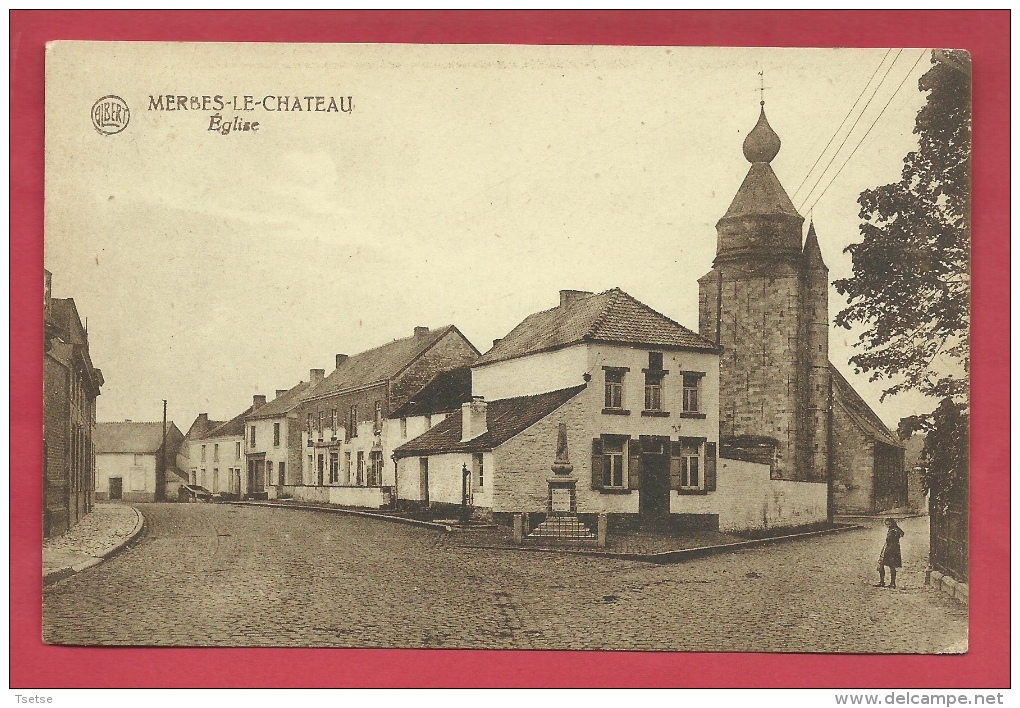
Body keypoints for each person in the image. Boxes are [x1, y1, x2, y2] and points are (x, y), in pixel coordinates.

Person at [875, 518, 905, 588]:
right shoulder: (897, 530)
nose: (888, 526)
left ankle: (883, 582)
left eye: (889, 524)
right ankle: (892, 583)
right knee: (892, 566)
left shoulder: (893, 531)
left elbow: (888, 540)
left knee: (882, 564)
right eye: (887, 524)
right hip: (895, 549)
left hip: (889, 549)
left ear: (892, 523)